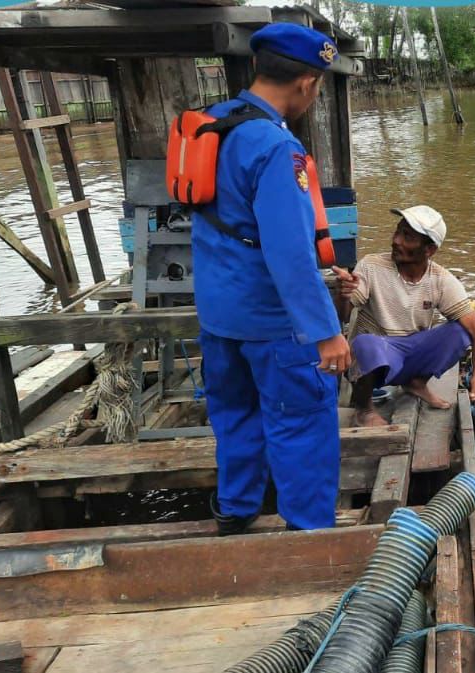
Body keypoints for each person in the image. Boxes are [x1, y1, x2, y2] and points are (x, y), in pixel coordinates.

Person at [191, 23, 350, 535]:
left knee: (235, 416)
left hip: (219, 317)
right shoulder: (276, 149)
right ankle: (308, 536)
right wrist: (326, 332)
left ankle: (235, 514)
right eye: (318, 86)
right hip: (274, 323)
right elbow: (291, 254)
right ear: (307, 84)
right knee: (301, 425)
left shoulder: (213, 126)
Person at [334, 206, 475, 427]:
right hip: (375, 359)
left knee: (460, 331)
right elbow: (344, 315)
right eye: (397, 232)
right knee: (365, 343)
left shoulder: (441, 280)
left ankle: (416, 382)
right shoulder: (371, 266)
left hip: (410, 354)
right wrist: (344, 294)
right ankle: (364, 408)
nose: (396, 240)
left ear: (429, 250)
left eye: (407, 237)